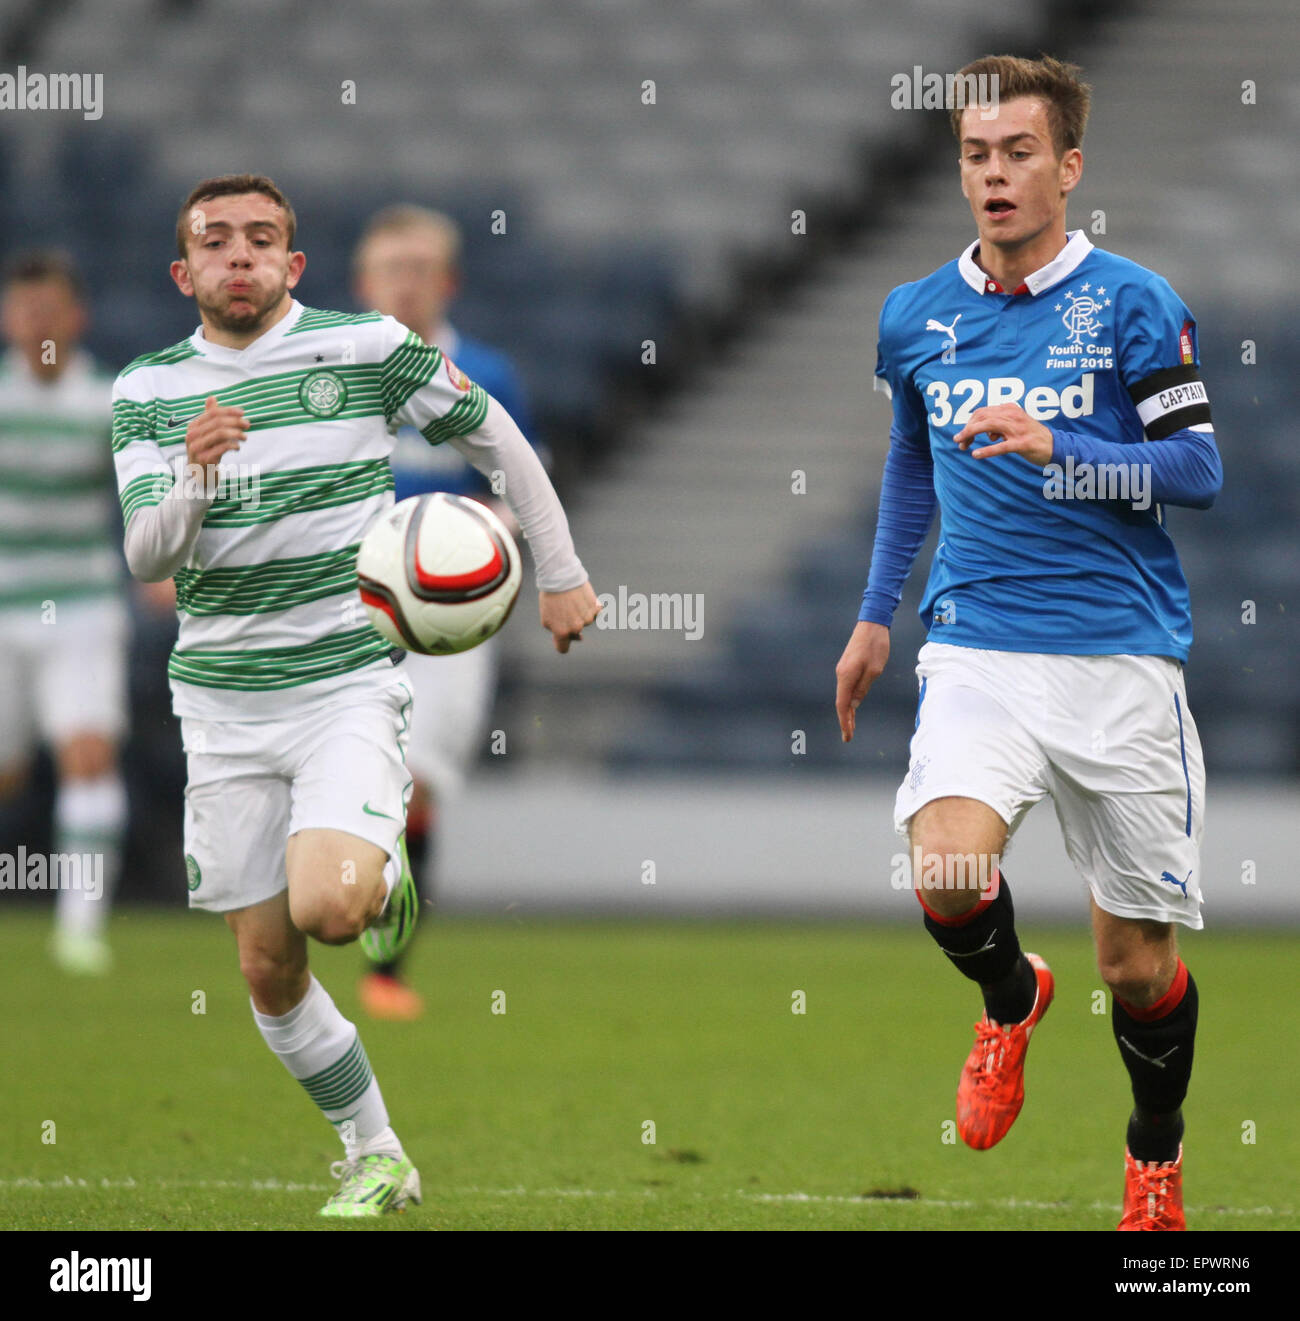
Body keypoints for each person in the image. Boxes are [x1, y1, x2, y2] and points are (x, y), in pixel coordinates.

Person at [111, 174, 599, 1217]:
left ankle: (377, 882)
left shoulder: (366, 347)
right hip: (220, 705)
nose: (236, 256)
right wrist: (194, 475)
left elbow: (494, 435)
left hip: (342, 685)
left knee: (329, 907)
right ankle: (376, 1151)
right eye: (214, 242)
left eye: (260, 240)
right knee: (265, 972)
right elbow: (145, 546)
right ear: (183, 270)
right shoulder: (146, 391)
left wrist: (558, 570)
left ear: (292, 264)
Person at [834, 55, 1220, 1231]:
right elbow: (912, 459)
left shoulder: (1135, 302)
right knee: (945, 869)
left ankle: (1153, 1153)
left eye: (1016, 154)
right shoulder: (914, 314)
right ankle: (1009, 997)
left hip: (1119, 657)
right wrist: (871, 611)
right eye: (974, 155)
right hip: (979, 644)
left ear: (1068, 167)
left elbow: (1197, 471)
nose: (993, 175)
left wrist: (1067, 453)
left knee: (1137, 970)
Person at [351, 204, 538, 1021]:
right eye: (390, 269)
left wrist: (477, 535)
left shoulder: (487, 374)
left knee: (418, 786)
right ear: (363, 283)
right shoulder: (333, 372)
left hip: (452, 617)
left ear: (448, 281)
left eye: (419, 269)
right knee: (342, 772)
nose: (404, 283)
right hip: (347, 605)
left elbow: (521, 491)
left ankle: (386, 968)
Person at [0, 251, 126, 975]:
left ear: (75, 319)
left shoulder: (106, 402)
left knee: (87, 753)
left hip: (79, 608)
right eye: (25, 310)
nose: (38, 324)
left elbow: (155, 490)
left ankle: (80, 928)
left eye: (50, 310)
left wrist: (166, 564)